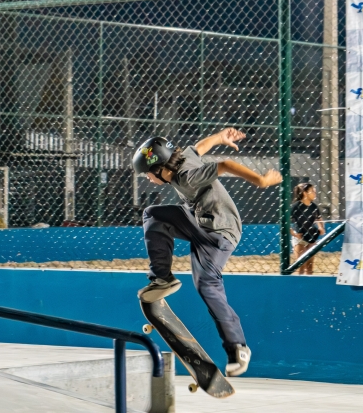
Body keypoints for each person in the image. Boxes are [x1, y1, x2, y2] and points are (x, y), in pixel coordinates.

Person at [132, 129, 281, 377]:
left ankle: (237, 347)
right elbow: (201, 145)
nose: (147, 179)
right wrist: (221, 137)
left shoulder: (187, 176)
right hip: (209, 228)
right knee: (155, 217)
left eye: (148, 174)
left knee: (205, 283)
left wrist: (261, 181)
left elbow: (224, 165)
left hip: (217, 232)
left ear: (159, 168)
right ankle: (163, 279)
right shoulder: (184, 156)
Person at [290, 182, 325, 275]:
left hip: (312, 237)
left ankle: (309, 287)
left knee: (310, 266)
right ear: (305, 193)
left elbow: (319, 218)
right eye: (312, 191)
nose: (315, 193)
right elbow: (285, 221)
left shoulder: (314, 206)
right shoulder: (296, 206)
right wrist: (293, 233)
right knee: (301, 265)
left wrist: (321, 227)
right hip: (300, 238)